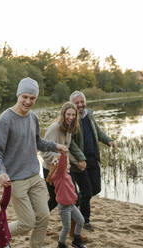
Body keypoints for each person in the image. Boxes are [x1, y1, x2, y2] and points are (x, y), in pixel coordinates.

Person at [0, 77, 68, 248]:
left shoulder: (33, 117)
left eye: (32, 98)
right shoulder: (5, 119)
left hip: (34, 176)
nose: (28, 101)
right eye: (25, 96)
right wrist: (0, 172)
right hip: (16, 180)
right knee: (27, 222)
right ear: (18, 95)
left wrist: (55, 146)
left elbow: (38, 142)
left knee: (44, 217)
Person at [69, 90, 116, 231]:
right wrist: (79, 159)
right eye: (77, 103)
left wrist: (109, 141)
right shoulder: (71, 118)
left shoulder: (89, 115)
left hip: (93, 158)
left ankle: (74, 203)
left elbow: (98, 131)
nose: (80, 105)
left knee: (96, 188)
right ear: (72, 104)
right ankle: (85, 221)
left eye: (82, 101)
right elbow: (70, 142)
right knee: (87, 191)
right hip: (79, 162)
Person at [41, 102, 88, 241]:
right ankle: (41, 224)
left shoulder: (69, 128)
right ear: (63, 114)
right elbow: (44, 151)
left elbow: (65, 151)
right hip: (51, 171)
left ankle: (73, 231)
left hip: (64, 171)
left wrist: (76, 162)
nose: (71, 117)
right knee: (56, 201)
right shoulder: (55, 128)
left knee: (74, 197)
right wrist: (57, 160)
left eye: (73, 115)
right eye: (68, 114)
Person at [49, 153, 86, 248]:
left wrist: (74, 197)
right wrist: (64, 154)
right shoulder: (59, 175)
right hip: (64, 207)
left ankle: (76, 241)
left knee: (81, 221)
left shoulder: (66, 175)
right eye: (67, 163)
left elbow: (71, 188)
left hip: (71, 205)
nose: (68, 165)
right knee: (66, 227)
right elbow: (62, 165)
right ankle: (61, 244)